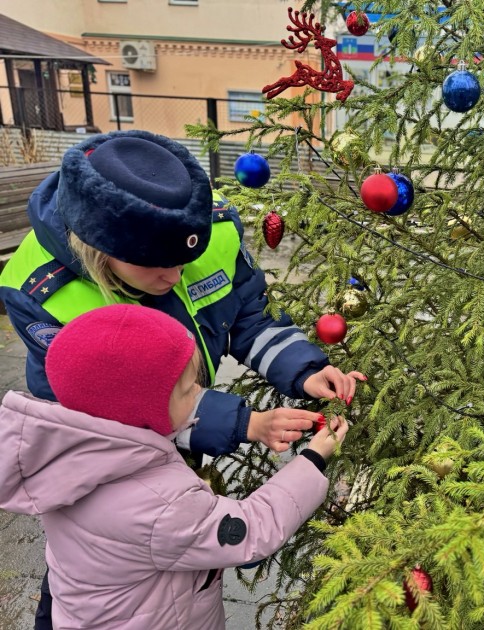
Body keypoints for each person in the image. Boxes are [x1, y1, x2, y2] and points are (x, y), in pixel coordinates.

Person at [0, 129, 364, 628]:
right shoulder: (43, 293)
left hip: (164, 452)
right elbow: (105, 415)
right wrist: (244, 424)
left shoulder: (207, 225)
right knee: (90, 571)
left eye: (183, 258)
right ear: (96, 249)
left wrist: (305, 369)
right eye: (155, 264)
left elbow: (245, 317)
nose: (175, 276)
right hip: (112, 457)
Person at [0, 304, 349, 630]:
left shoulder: (75, 454)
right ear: (143, 412)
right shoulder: (158, 502)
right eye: (187, 391)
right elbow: (252, 531)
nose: (199, 391)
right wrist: (313, 458)